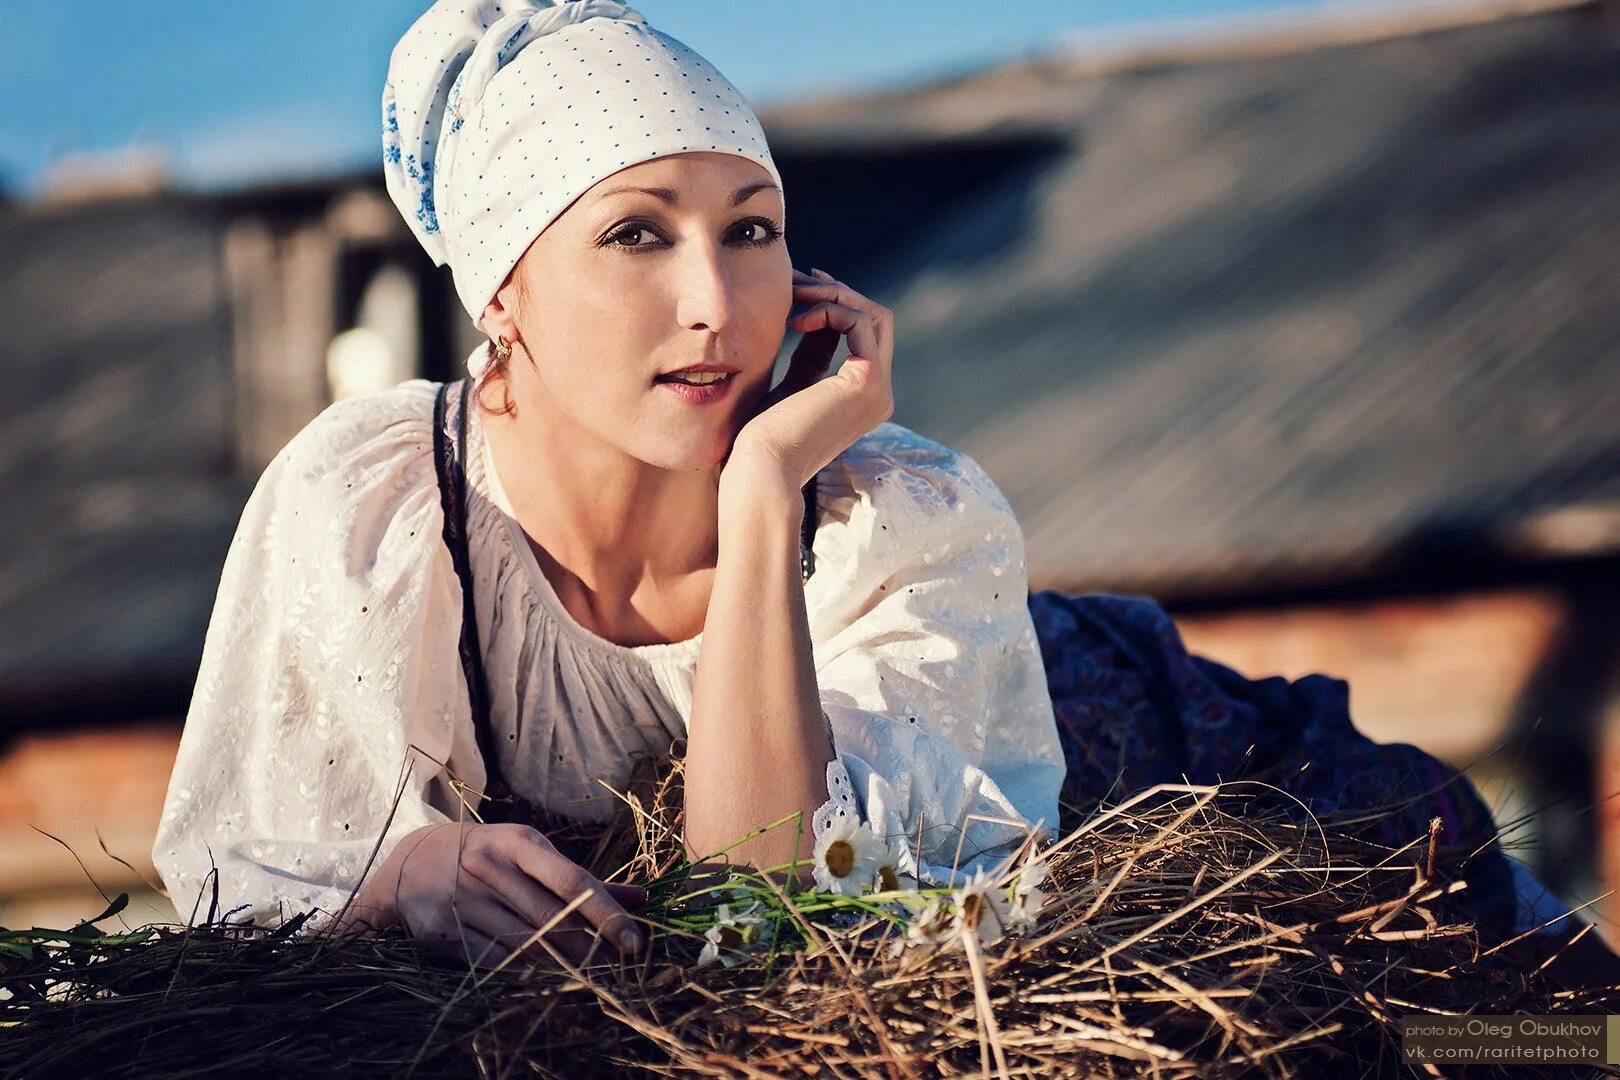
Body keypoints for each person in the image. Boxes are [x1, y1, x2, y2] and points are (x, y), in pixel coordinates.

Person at [153, 0, 1581, 972]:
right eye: (638, 235)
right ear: (504, 290)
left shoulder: (892, 515)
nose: (716, 303)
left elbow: (769, 899)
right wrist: (395, 883)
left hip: (1165, 755)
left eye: (753, 230)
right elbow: (257, 882)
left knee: (1520, 993)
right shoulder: (377, 505)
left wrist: (768, 483)